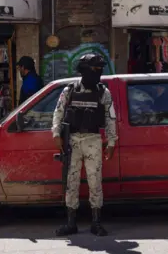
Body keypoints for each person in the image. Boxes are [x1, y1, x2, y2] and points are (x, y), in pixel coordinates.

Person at [51, 53, 118, 237]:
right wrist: (56, 133)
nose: (97, 73)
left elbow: (111, 118)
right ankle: (71, 223)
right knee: (71, 183)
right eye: (94, 69)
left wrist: (111, 142)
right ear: (84, 71)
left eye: (99, 70)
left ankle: (96, 222)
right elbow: (58, 112)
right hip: (72, 141)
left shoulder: (104, 93)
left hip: (93, 141)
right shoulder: (69, 90)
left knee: (95, 182)